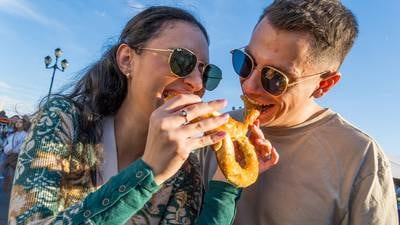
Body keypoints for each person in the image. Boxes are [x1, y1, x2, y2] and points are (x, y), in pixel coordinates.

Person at [8, 6, 278, 225]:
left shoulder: (185, 168)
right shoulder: (64, 120)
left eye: (207, 72)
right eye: (182, 60)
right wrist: (149, 172)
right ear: (127, 59)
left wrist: (226, 183)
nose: (197, 82)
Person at [201, 1, 398, 225]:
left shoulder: (360, 158)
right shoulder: (215, 134)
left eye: (275, 78)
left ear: (324, 85)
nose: (249, 87)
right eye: (245, 61)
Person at [2, 116, 30, 192]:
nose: (18, 123)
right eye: (17, 122)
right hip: (6, 154)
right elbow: (6, 142)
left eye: (20, 122)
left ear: (24, 124)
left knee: (11, 174)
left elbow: (21, 145)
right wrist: (5, 147)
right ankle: (7, 189)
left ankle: (12, 192)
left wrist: (12, 150)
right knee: (5, 171)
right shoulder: (13, 133)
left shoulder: (25, 134)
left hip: (14, 156)